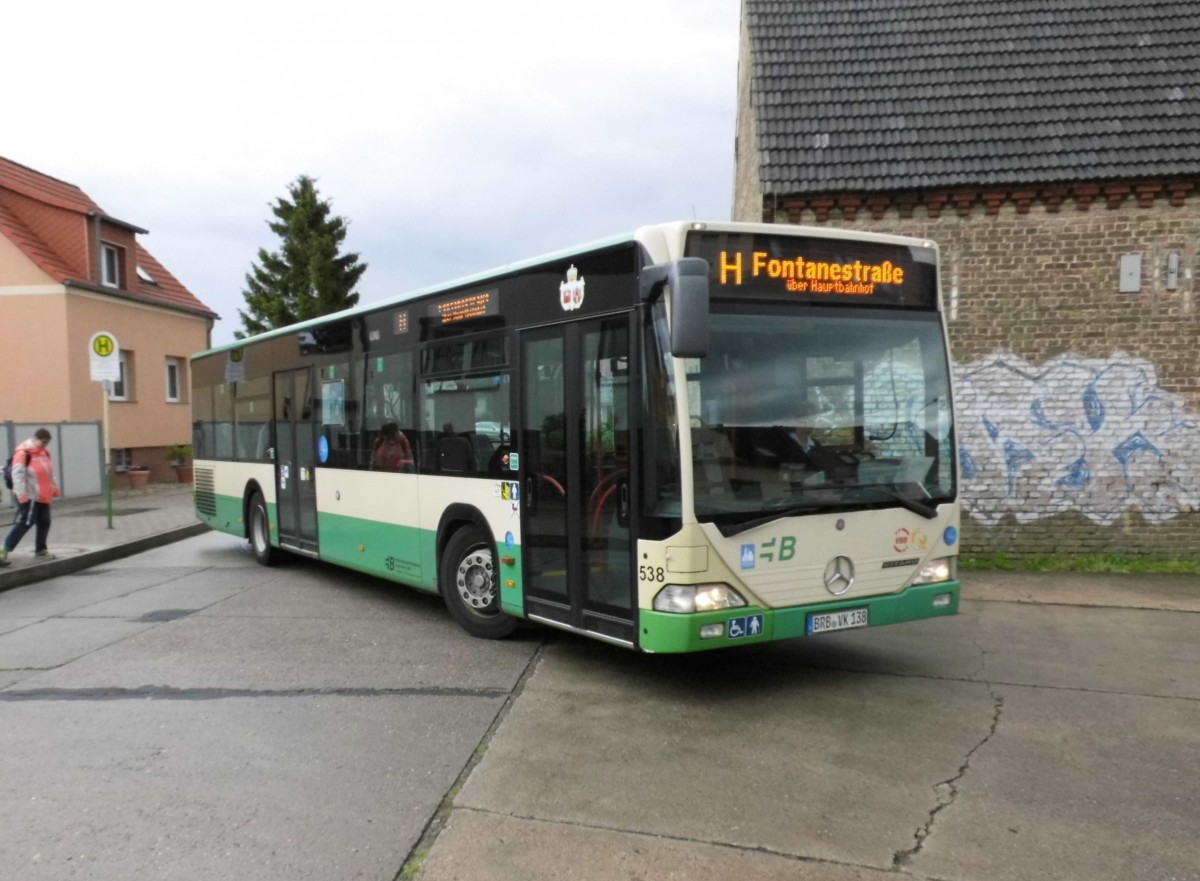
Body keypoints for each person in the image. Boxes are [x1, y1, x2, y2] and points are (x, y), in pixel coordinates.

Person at [1, 428, 61, 565]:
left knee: (45, 521)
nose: (45, 444)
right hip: (30, 495)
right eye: (43, 442)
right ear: (35, 439)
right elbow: (18, 475)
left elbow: (49, 472)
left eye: (47, 442)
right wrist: (22, 494)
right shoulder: (24, 453)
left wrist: (54, 488)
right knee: (27, 522)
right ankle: (4, 549)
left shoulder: (44, 453)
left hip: (42, 495)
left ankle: (40, 550)